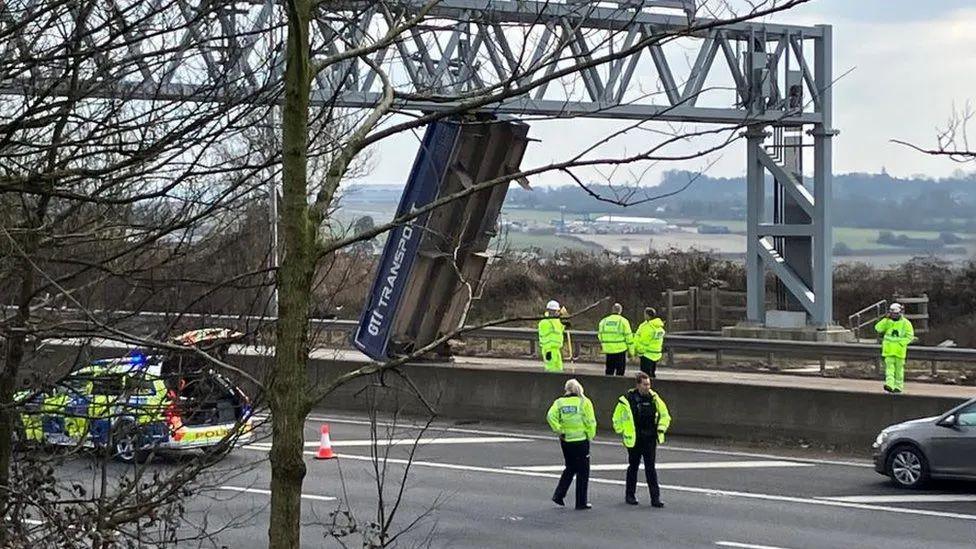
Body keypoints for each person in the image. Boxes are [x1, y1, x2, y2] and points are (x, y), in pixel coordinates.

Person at [612, 372, 671, 508]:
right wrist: (621, 430)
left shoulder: (654, 398)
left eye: (649, 384)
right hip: (635, 438)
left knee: (651, 468)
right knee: (633, 467)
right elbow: (617, 417)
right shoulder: (627, 399)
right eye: (645, 384)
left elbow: (665, 415)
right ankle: (630, 495)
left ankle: (655, 498)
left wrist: (661, 429)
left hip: (650, 438)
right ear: (638, 385)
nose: (647, 387)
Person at [546, 378, 596, 510]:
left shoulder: (559, 402)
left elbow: (550, 416)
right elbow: (590, 421)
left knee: (570, 468)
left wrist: (559, 430)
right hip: (580, 440)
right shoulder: (584, 402)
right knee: (583, 472)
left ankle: (559, 494)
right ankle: (581, 502)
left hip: (566, 440)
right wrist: (590, 436)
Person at [874, 302, 914, 393]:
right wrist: (885, 319)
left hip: (899, 352)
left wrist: (901, 343)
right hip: (888, 351)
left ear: (900, 313)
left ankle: (898, 387)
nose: (894, 316)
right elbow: (878, 328)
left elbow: (910, 336)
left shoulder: (906, 323)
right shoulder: (887, 321)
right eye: (892, 314)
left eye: (895, 314)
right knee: (889, 370)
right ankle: (889, 385)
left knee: (899, 371)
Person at [598, 302, 634, 376]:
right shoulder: (623, 321)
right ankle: (619, 387)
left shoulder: (604, 321)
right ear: (620, 311)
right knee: (620, 373)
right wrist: (631, 352)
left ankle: (608, 386)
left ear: (612, 310)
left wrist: (604, 345)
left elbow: (600, 335)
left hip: (609, 351)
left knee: (609, 372)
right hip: (620, 351)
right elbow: (629, 337)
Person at [634, 307, 666, 378]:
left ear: (647, 315)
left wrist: (638, 351)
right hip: (655, 354)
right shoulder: (659, 327)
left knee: (645, 376)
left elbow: (643, 341)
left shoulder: (648, 327)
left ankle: (646, 388)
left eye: (645, 314)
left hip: (646, 354)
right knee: (652, 374)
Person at [538, 300, 566, 372]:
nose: (557, 312)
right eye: (557, 311)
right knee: (551, 369)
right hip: (548, 350)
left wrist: (564, 316)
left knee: (559, 369)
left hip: (556, 350)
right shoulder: (544, 322)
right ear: (553, 311)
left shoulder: (555, 320)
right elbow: (555, 326)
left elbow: (564, 326)